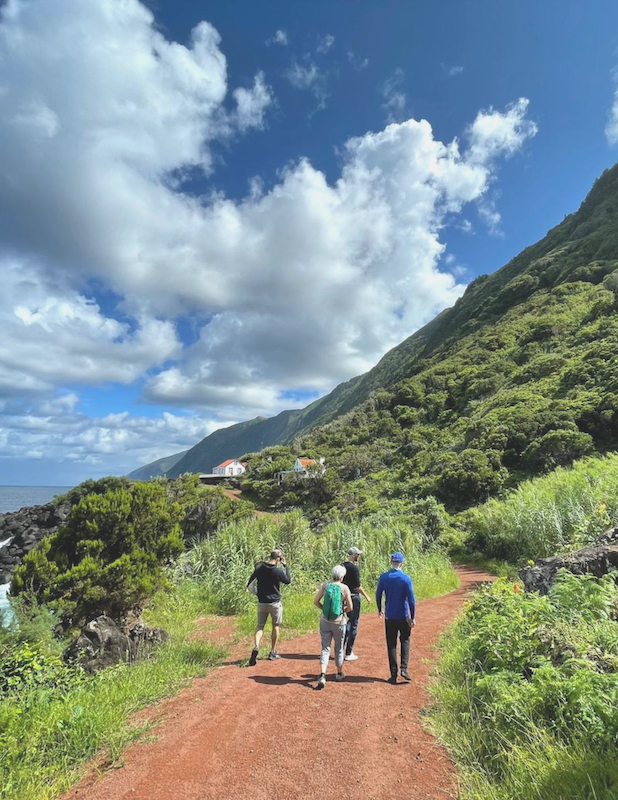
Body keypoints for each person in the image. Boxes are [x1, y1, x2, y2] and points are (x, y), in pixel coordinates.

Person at [375, 552, 416, 684]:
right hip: (403, 615)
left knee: (391, 644)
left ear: (391, 562)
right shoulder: (405, 578)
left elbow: (378, 594)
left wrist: (379, 609)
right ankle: (404, 669)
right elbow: (411, 600)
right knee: (405, 640)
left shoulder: (384, 577)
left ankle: (393, 673)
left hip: (390, 616)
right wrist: (413, 616)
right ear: (402, 563)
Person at [247, 548, 291, 665]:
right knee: (275, 626)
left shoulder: (259, 568)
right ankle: (272, 651)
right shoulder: (277, 571)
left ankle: (256, 646)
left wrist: (257, 593)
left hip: (262, 602)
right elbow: (287, 581)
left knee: (260, 626)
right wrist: (286, 566)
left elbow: (250, 585)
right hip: (275, 603)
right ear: (278, 559)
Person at [314, 564, 353, 689]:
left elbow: (316, 601)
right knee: (339, 648)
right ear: (342, 576)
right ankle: (339, 673)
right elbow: (350, 607)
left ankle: (322, 675)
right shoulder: (345, 588)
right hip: (339, 622)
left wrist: (323, 611)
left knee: (325, 648)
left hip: (325, 620)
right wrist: (342, 611)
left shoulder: (326, 586)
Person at [341, 546, 372, 661]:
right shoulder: (354, 568)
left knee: (347, 622)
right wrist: (367, 596)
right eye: (357, 554)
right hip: (354, 597)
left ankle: (340, 649)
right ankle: (349, 652)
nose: (359, 556)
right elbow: (357, 587)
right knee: (353, 623)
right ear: (353, 555)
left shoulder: (341, 566)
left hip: (343, 597)